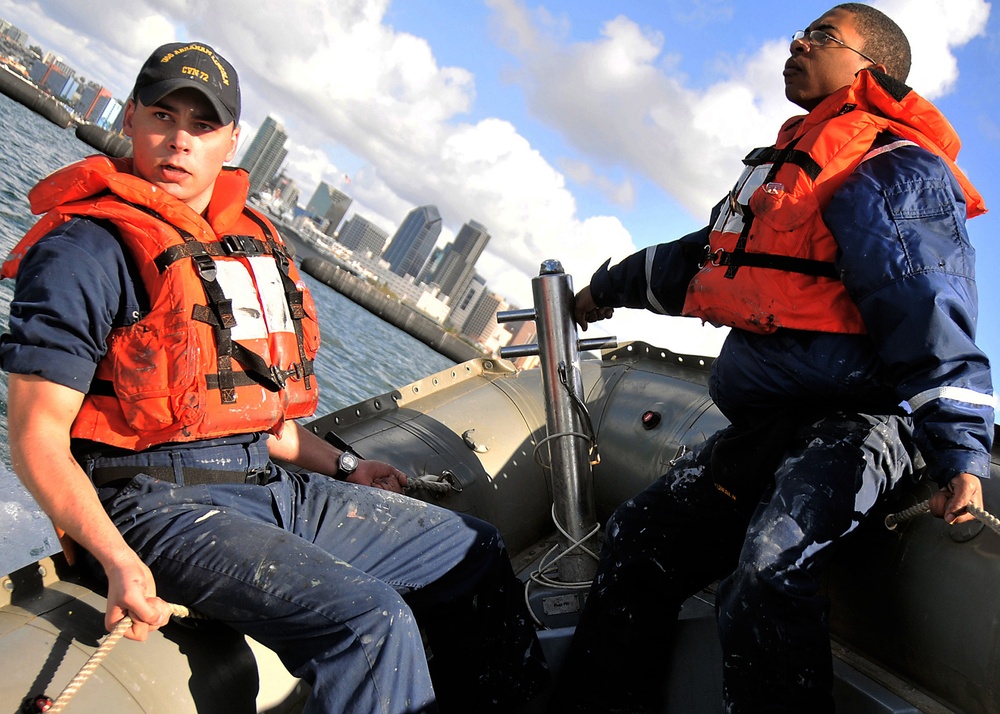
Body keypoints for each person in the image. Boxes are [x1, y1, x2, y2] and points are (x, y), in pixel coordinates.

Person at [0, 42, 547, 714]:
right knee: (370, 624)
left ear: (231, 140)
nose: (178, 141)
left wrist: (346, 465)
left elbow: (256, 418)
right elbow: (36, 437)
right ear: (131, 117)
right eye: (162, 116)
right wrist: (116, 559)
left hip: (265, 482)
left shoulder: (241, 246)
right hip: (155, 503)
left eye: (202, 126)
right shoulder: (85, 251)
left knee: (472, 550)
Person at [551, 4, 993, 713]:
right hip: (768, 421)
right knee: (640, 539)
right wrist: (602, 293)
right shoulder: (791, 172)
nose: (796, 43)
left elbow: (931, 312)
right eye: (800, 33)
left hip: (857, 424)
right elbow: (700, 259)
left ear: (869, 68)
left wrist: (961, 459)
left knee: (766, 571)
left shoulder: (895, 169)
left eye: (821, 37)